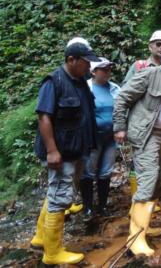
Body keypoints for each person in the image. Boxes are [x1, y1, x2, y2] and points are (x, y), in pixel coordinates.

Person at [113, 45, 161, 256]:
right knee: (148, 178)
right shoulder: (149, 75)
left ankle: (144, 225)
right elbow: (122, 98)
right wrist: (119, 126)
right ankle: (134, 240)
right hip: (146, 135)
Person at [30, 38, 100, 265]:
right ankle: (53, 253)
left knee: (57, 193)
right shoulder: (54, 81)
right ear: (71, 60)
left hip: (77, 149)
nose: (89, 67)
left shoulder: (80, 81)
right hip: (61, 152)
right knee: (60, 199)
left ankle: (41, 238)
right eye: (86, 62)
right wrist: (51, 150)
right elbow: (44, 117)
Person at [122, 30, 161, 199]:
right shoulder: (139, 67)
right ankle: (139, 202)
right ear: (150, 46)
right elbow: (126, 94)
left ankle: (149, 204)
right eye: (158, 43)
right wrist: (124, 126)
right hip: (142, 126)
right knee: (142, 166)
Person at [80, 57, 120, 220]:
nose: (108, 72)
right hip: (92, 137)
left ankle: (102, 206)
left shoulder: (115, 88)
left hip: (110, 137)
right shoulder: (85, 88)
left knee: (106, 171)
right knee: (88, 171)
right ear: (94, 72)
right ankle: (87, 207)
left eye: (109, 69)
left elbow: (122, 109)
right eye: (104, 69)